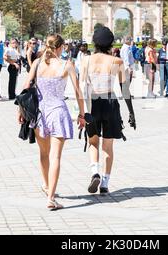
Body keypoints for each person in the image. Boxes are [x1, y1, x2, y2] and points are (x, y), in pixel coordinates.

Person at [19, 34, 86, 210]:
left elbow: (26, 87)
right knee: (55, 156)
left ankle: (46, 184)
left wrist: (20, 110)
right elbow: (78, 92)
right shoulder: (66, 64)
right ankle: (50, 198)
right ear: (61, 47)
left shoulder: (37, 63)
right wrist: (82, 114)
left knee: (43, 153)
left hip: (40, 112)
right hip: (58, 111)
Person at [80, 26, 136, 195]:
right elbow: (124, 89)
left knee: (93, 142)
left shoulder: (86, 60)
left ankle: (94, 171)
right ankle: (104, 182)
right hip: (110, 102)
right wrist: (131, 112)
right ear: (111, 43)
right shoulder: (116, 61)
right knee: (108, 145)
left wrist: (81, 112)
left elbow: (82, 88)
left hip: (93, 103)